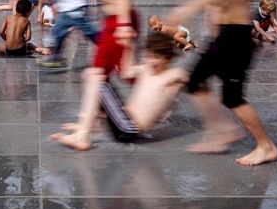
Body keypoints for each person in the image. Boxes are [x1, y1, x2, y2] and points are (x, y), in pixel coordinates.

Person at [164, 0, 277, 166]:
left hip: (236, 38)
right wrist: (213, 30)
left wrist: (184, 10)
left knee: (231, 96)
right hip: (227, 35)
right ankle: (221, 132)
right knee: (197, 83)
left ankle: (265, 145)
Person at [49, 32, 187, 151]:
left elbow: (188, 78)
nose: (151, 61)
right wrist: (129, 47)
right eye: (149, 56)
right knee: (92, 73)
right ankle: (90, 126)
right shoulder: (147, 69)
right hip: (123, 121)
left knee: (97, 81)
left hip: (130, 129)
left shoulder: (173, 74)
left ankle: (83, 136)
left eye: (156, 58)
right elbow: (126, 73)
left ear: (168, 58)